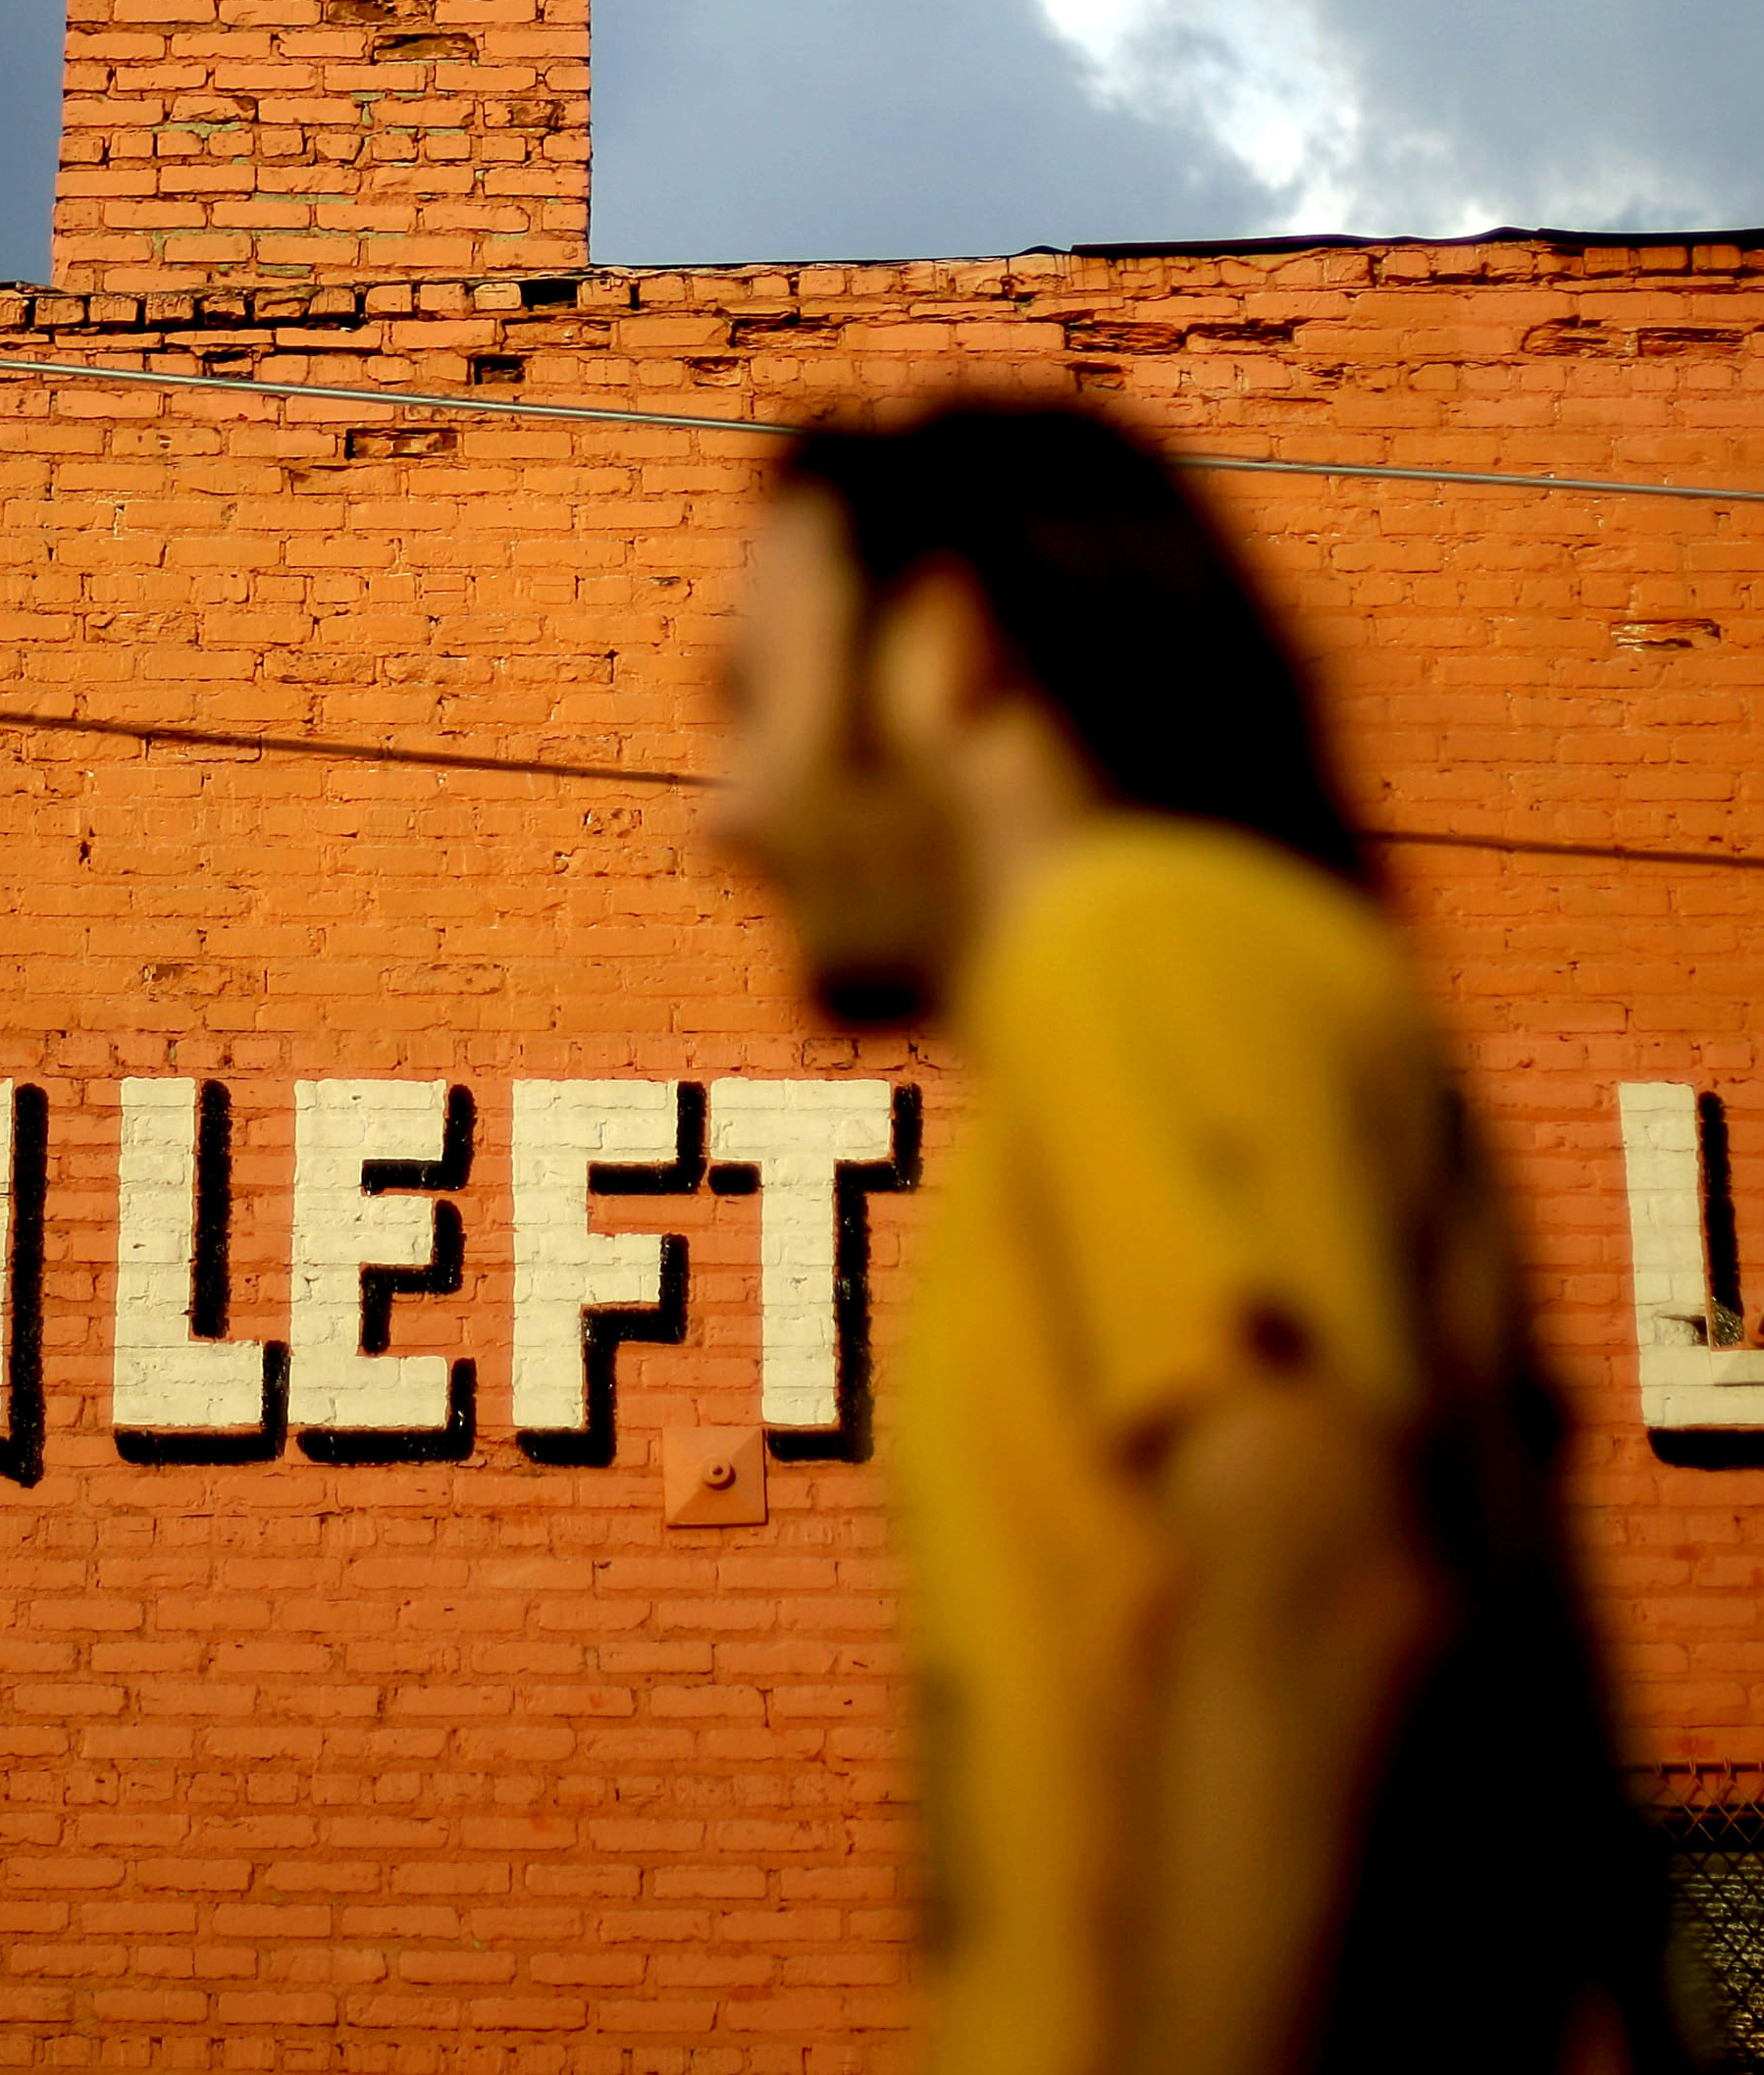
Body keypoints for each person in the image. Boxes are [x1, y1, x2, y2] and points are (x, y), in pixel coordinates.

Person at [707, 402, 1677, 2075]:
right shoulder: (1233, 973)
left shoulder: (1128, 943)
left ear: (946, 654)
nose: (724, 810)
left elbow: (1312, 1574)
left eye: (750, 699)